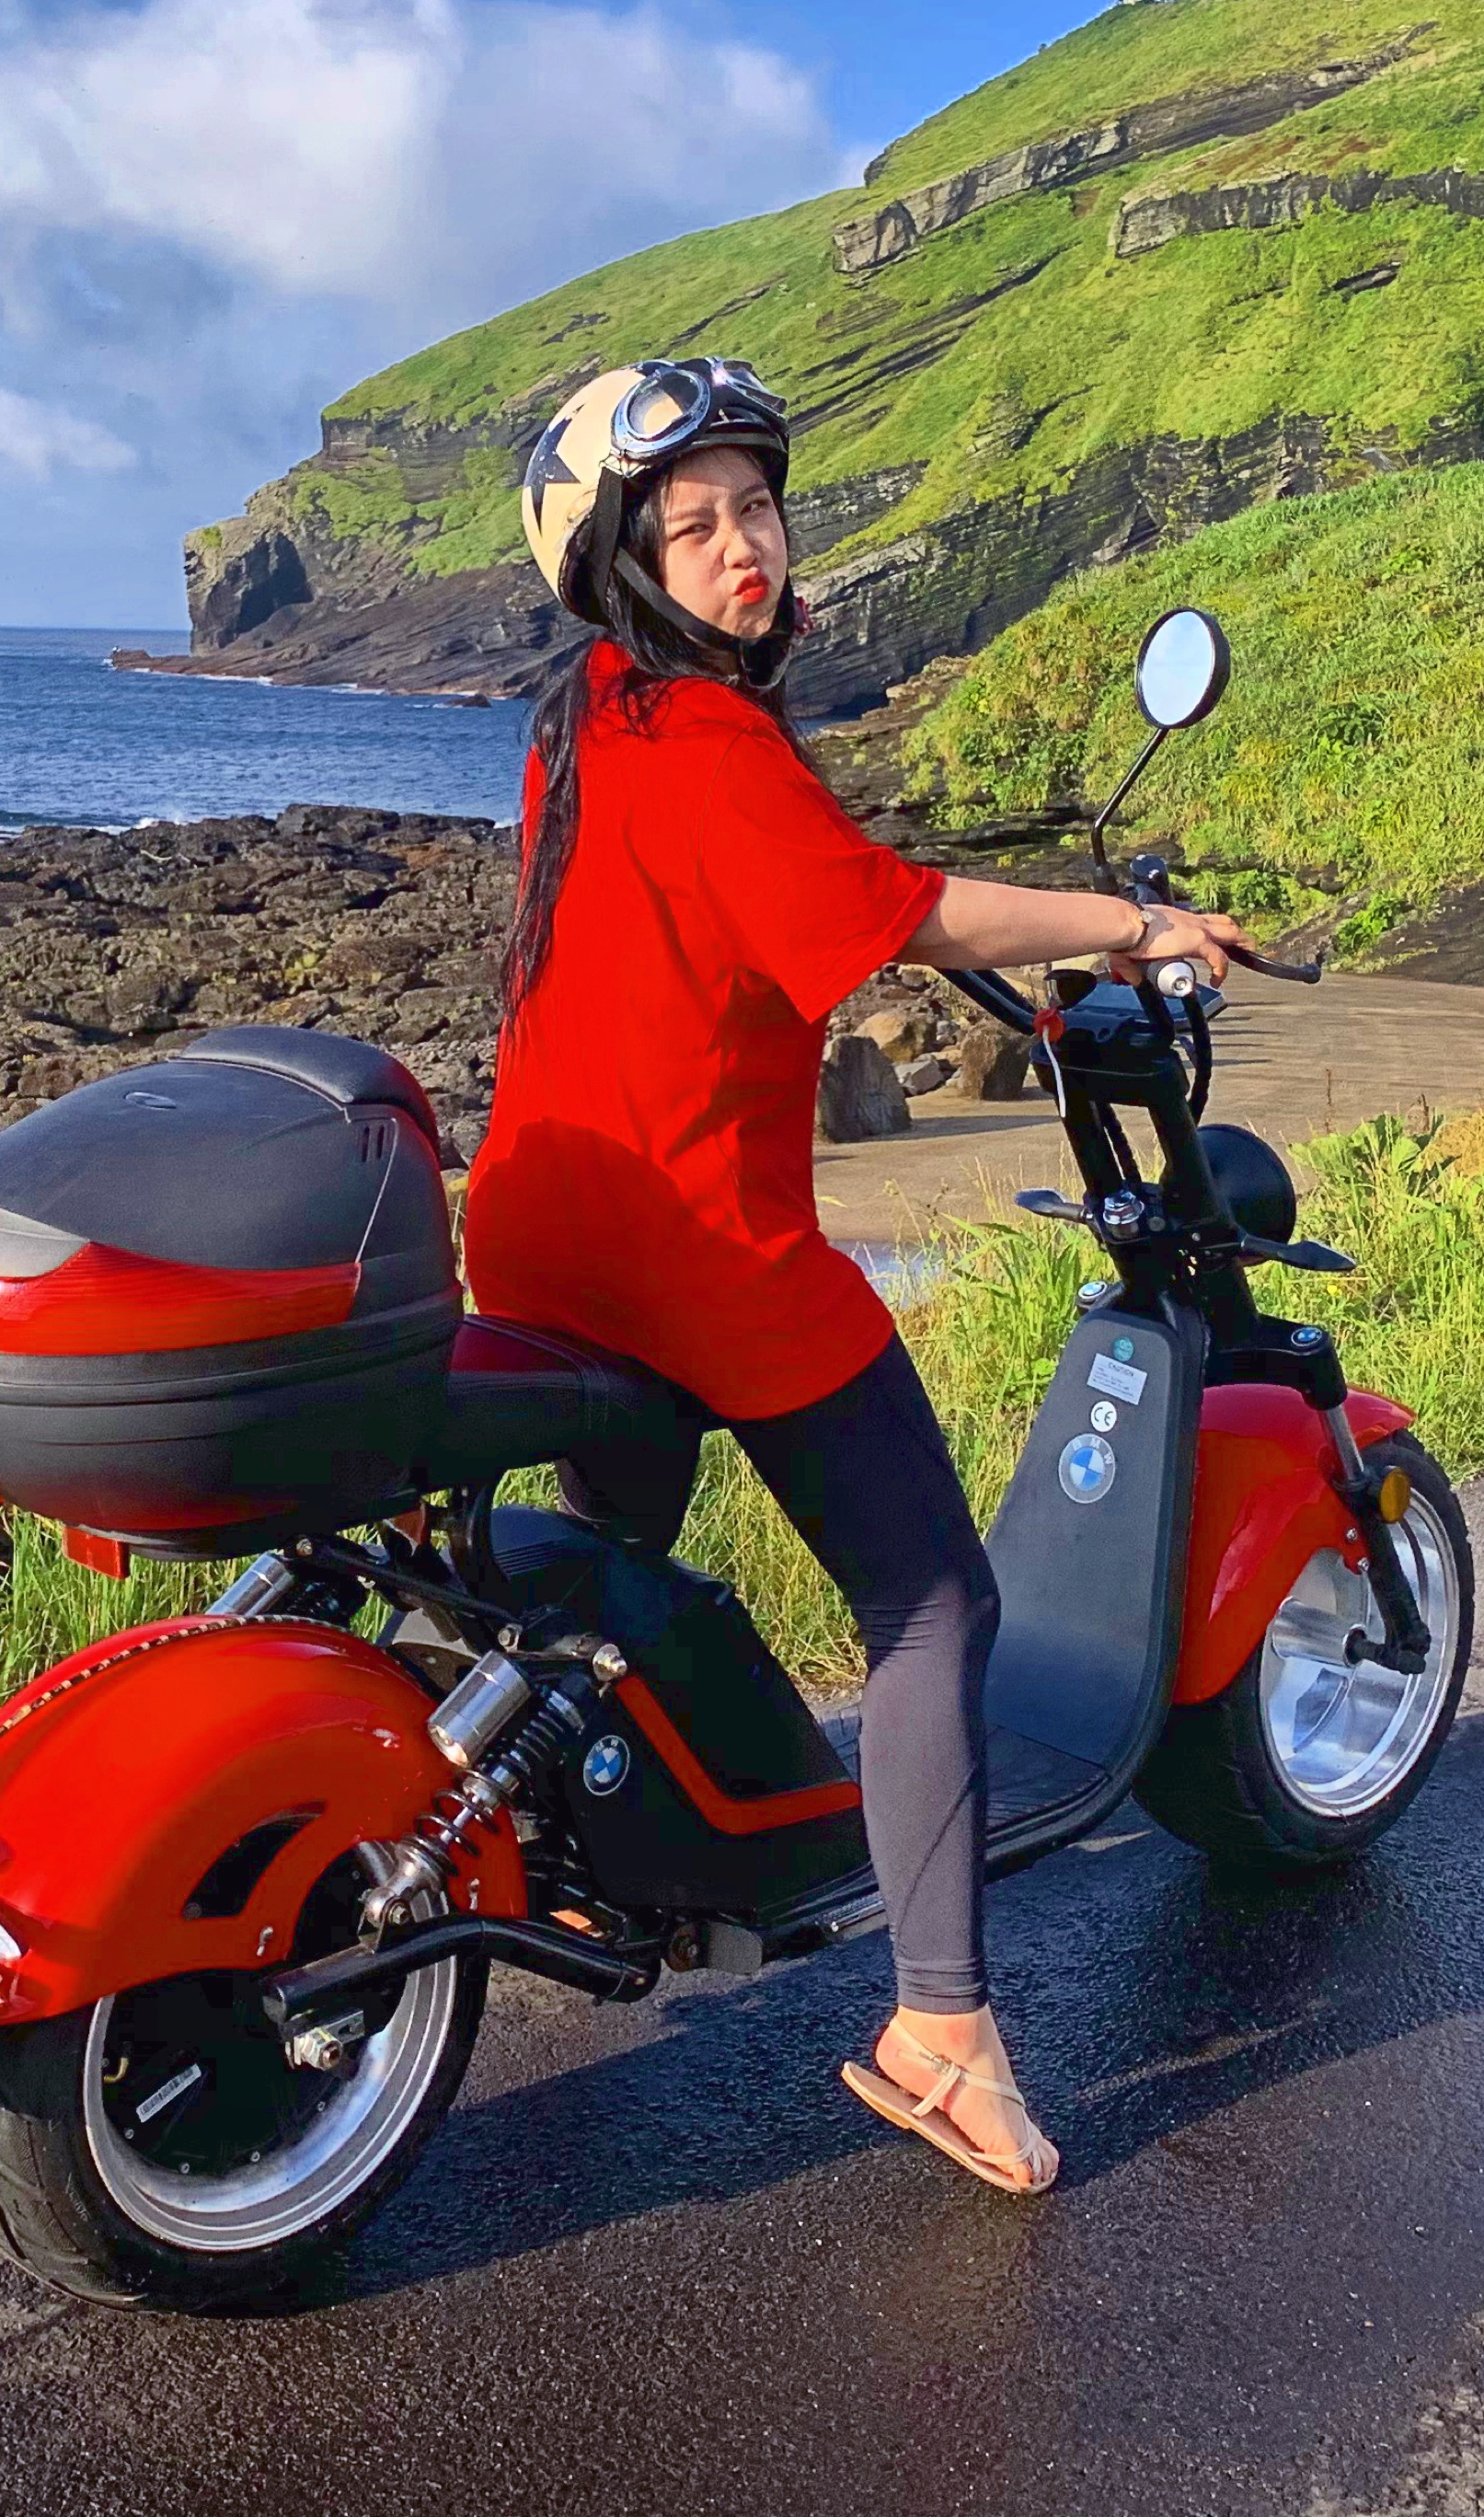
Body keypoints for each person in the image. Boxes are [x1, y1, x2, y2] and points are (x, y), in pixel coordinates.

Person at [460, 355, 1260, 2196]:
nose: (743, 546)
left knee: (616, 1554)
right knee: (933, 1604)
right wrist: (1134, 920)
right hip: (701, 1247)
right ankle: (944, 2038)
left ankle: (589, 1858)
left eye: (757, 507)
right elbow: (890, 911)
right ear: (629, 564)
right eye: (695, 526)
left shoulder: (590, 710)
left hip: (546, 1221)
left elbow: (773, 873)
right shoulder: (712, 738)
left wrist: (953, 909)